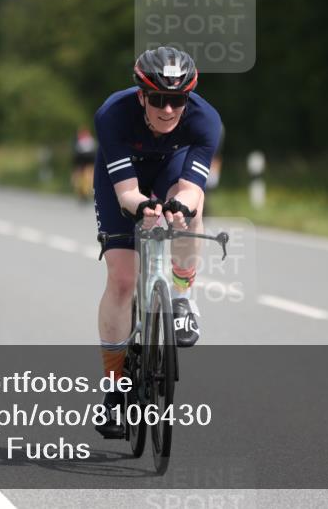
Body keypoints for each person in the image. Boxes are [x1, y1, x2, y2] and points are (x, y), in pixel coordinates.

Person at [92, 46, 222, 438]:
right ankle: (114, 390)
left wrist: (179, 205)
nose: (168, 110)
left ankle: (182, 295)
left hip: (172, 166)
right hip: (124, 179)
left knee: (190, 213)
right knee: (122, 279)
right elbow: (128, 193)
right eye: (160, 100)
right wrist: (145, 207)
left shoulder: (205, 121)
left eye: (177, 100)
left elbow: (193, 189)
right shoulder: (113, 115)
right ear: (142, 95)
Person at [71, 127, 97, 202]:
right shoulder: (90, 140)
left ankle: (84, 192)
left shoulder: (79, 141)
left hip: (82, 160)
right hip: (86, 160)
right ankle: (85, 192)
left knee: (83, 176)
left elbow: (75, 155)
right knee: (86, 176)